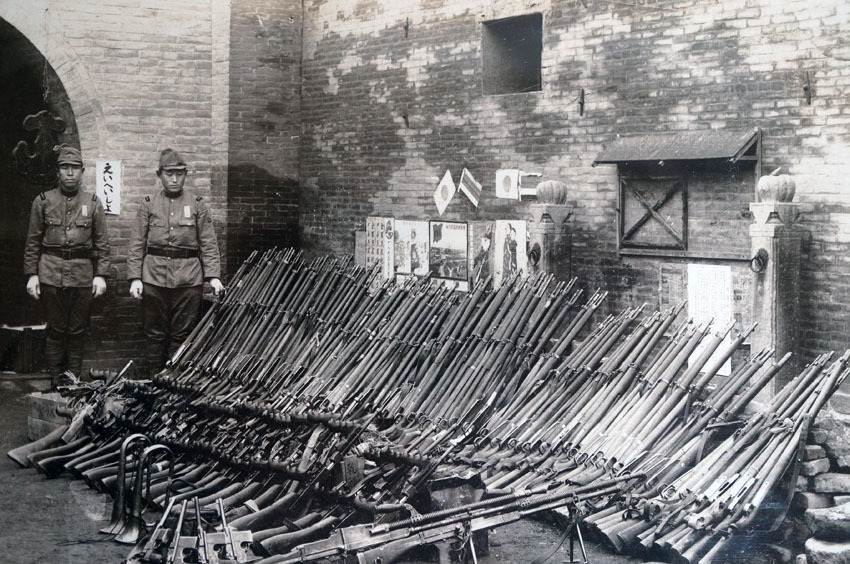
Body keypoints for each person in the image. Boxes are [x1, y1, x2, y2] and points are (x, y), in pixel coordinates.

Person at [127, 149, 223, 374]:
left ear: (185, 175)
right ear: (159, 175)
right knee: (154, 334)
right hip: (154, 278)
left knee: (182, 334)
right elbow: (136, 243)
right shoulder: (149, 204)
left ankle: (171, 383)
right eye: (169, 173)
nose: (174, 179)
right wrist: (134, 278)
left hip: (188, 280)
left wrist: (214, 277)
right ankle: (153, 380)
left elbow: (209, 243)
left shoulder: (197, 205)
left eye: (179, 174)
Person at [23, 144, 110, 383]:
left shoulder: (93, 203)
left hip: (83, 276)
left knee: (77, 330)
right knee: (56, 328)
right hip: (50, 274)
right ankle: (54, 381)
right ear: (57, 172)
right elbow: (33, 242)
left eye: (74, 168)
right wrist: (32, 275)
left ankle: (72, 382)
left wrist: (101, 275)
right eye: (64, 168)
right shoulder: (42, 201)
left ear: (82, 172)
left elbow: (102, 243)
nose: (70, 173)